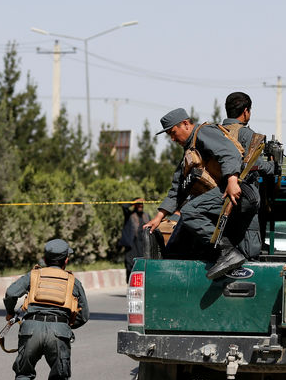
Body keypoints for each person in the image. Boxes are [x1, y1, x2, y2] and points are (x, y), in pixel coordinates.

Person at [144, 107, 247, 280]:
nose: (172, 138)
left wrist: (231, 181)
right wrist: (158, 217)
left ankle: (227, 251)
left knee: (190, 211)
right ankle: (221, 254)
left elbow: (229, 153)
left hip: (237, 189)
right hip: (226, 191)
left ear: (185, 124)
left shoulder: (203, 132)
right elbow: (178, 187)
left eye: (173, 132)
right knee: (188, 219)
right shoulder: (190, 149)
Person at [3, 239, 89, 380]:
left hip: (30, 329)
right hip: (59, 331)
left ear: (44, 258)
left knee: (24, 372)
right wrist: (65, 327)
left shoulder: (33, 275)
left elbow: (11, 293)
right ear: (66, 260)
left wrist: (10, 312)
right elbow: (85, 315)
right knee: (60, 376)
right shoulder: (73, 281)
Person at [220, 91, 276, 260]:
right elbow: (256, 164)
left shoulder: (216, 131)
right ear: (245, 111)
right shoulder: (247, 134)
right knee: (251, 250)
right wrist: (273, 165)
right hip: (243, 198)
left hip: (217, 195)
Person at [118, 198, 150, 280]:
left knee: (144, 268)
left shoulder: (146, 216)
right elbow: (124, 206)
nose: (140, 205)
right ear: (135, 205)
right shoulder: (129, 215)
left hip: (143, 247)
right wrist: (133, 202)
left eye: (141, 204)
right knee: (130, 267)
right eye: (138, 204)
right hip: (132, 247)